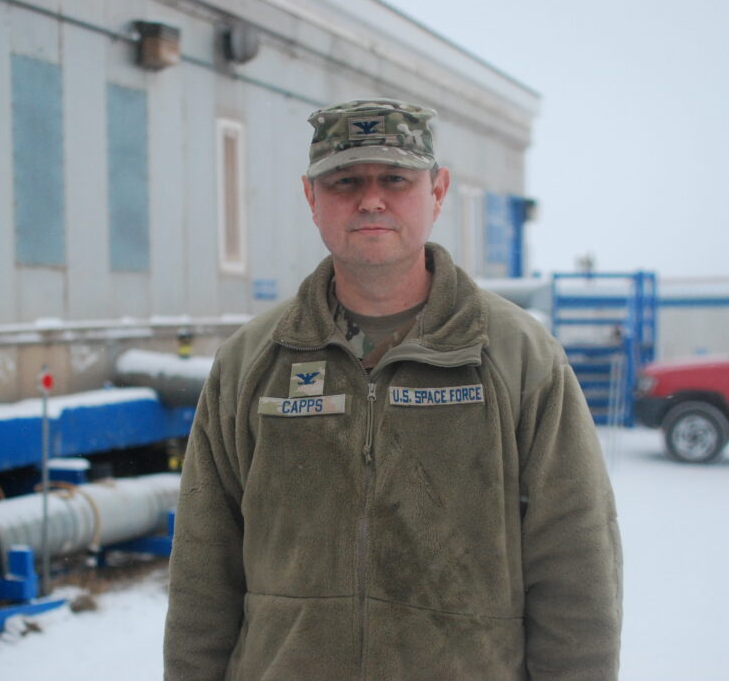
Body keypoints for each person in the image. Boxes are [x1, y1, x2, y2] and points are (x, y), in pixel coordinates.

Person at [164, 99, 622, 680]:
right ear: (311, 198)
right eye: (345, 180)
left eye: (395, 179)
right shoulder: (252, 363)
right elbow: (204, 567)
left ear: (438, 190)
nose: (370, 199)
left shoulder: (517, 358)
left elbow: (577, 559)